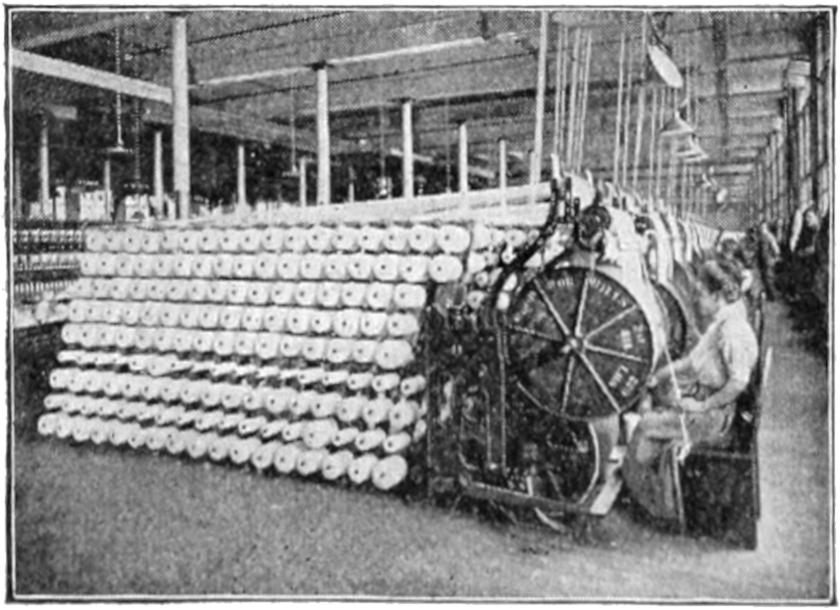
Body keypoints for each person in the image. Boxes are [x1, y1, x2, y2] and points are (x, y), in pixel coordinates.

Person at [623, 259, 759, 522]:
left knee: (644, 426)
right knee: (661, 405)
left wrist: (701, 405)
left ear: (717, 296)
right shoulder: (723, 322)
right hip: (712, 409)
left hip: (713, 419)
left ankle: (656, 508)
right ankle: (658, 491)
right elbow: (690, 361)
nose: (695, 299)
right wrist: (658, 376)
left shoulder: (731, 331)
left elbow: (738, 383)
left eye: (700, 293)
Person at [758, 220, 781, 301]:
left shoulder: (770, 236)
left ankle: (773, 296)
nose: (762, 229)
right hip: (763, 261)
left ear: (767, 228)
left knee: (769, 279)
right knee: (764, 278)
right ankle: (768, 295)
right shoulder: (761, 236)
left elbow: (776, 250)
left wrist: (774, 259)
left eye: (763, 227)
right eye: (761, 228)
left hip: (768, 261)